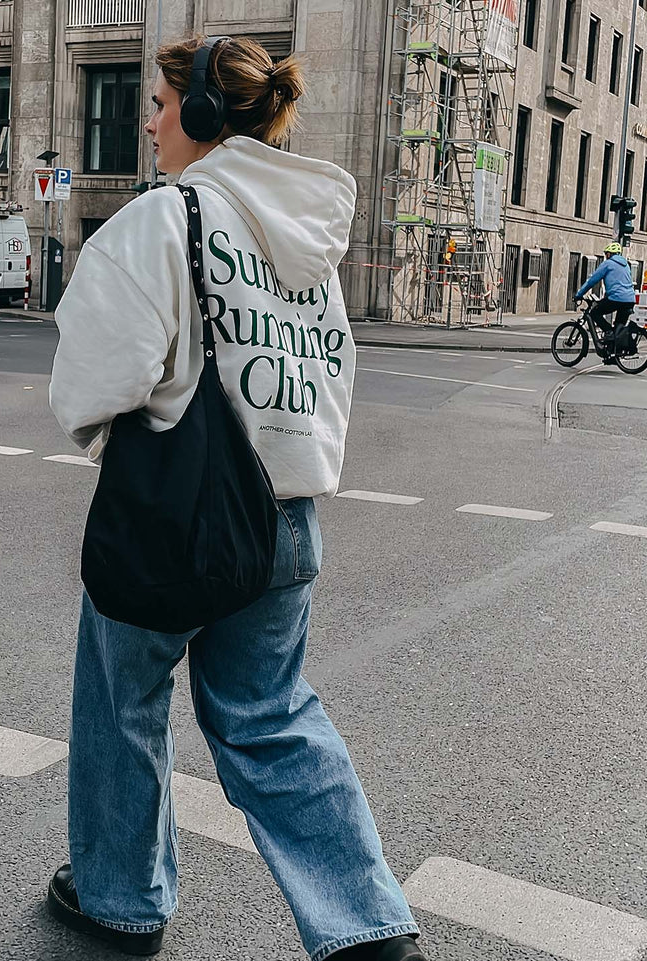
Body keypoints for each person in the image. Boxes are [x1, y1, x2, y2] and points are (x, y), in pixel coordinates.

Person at [47, 34, 426, 961]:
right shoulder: (309, 241)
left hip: (176, 517)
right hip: (288, 519)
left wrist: (110, 433)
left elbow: (92, 384)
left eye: (163, 103)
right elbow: (327, 379)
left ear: (206, 117)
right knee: (271, 716)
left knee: (122, 698)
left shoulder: (161, 219)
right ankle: (369, 930)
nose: (149, 119)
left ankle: (119, 900)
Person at [573, 242, 636, 358]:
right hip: (630, 299)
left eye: (606, 254)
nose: (606, 256)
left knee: (594, 313)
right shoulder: (626, 264)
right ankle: (613, 354)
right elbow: (620, 283)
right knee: (619, 327)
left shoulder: (608, 264)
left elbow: (592, 281)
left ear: (609, 254)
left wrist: (579, 294)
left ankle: (608, 331)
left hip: (616, 298)